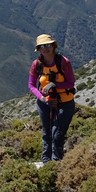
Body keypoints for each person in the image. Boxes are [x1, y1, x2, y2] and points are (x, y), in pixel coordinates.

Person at [28, 34, 76, 162]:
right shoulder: (36, 64)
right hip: (45, 102)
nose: (45, 48)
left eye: (48, 45)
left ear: (53, 46)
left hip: (65, 102)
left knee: (57, 133)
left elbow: (71, 83)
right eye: (42, 46)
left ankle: (56, 160)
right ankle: (46, 160)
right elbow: (31, 85)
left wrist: (54, 85)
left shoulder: (64, 62)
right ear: (38, 49)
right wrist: (42, 98)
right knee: (46, 132)